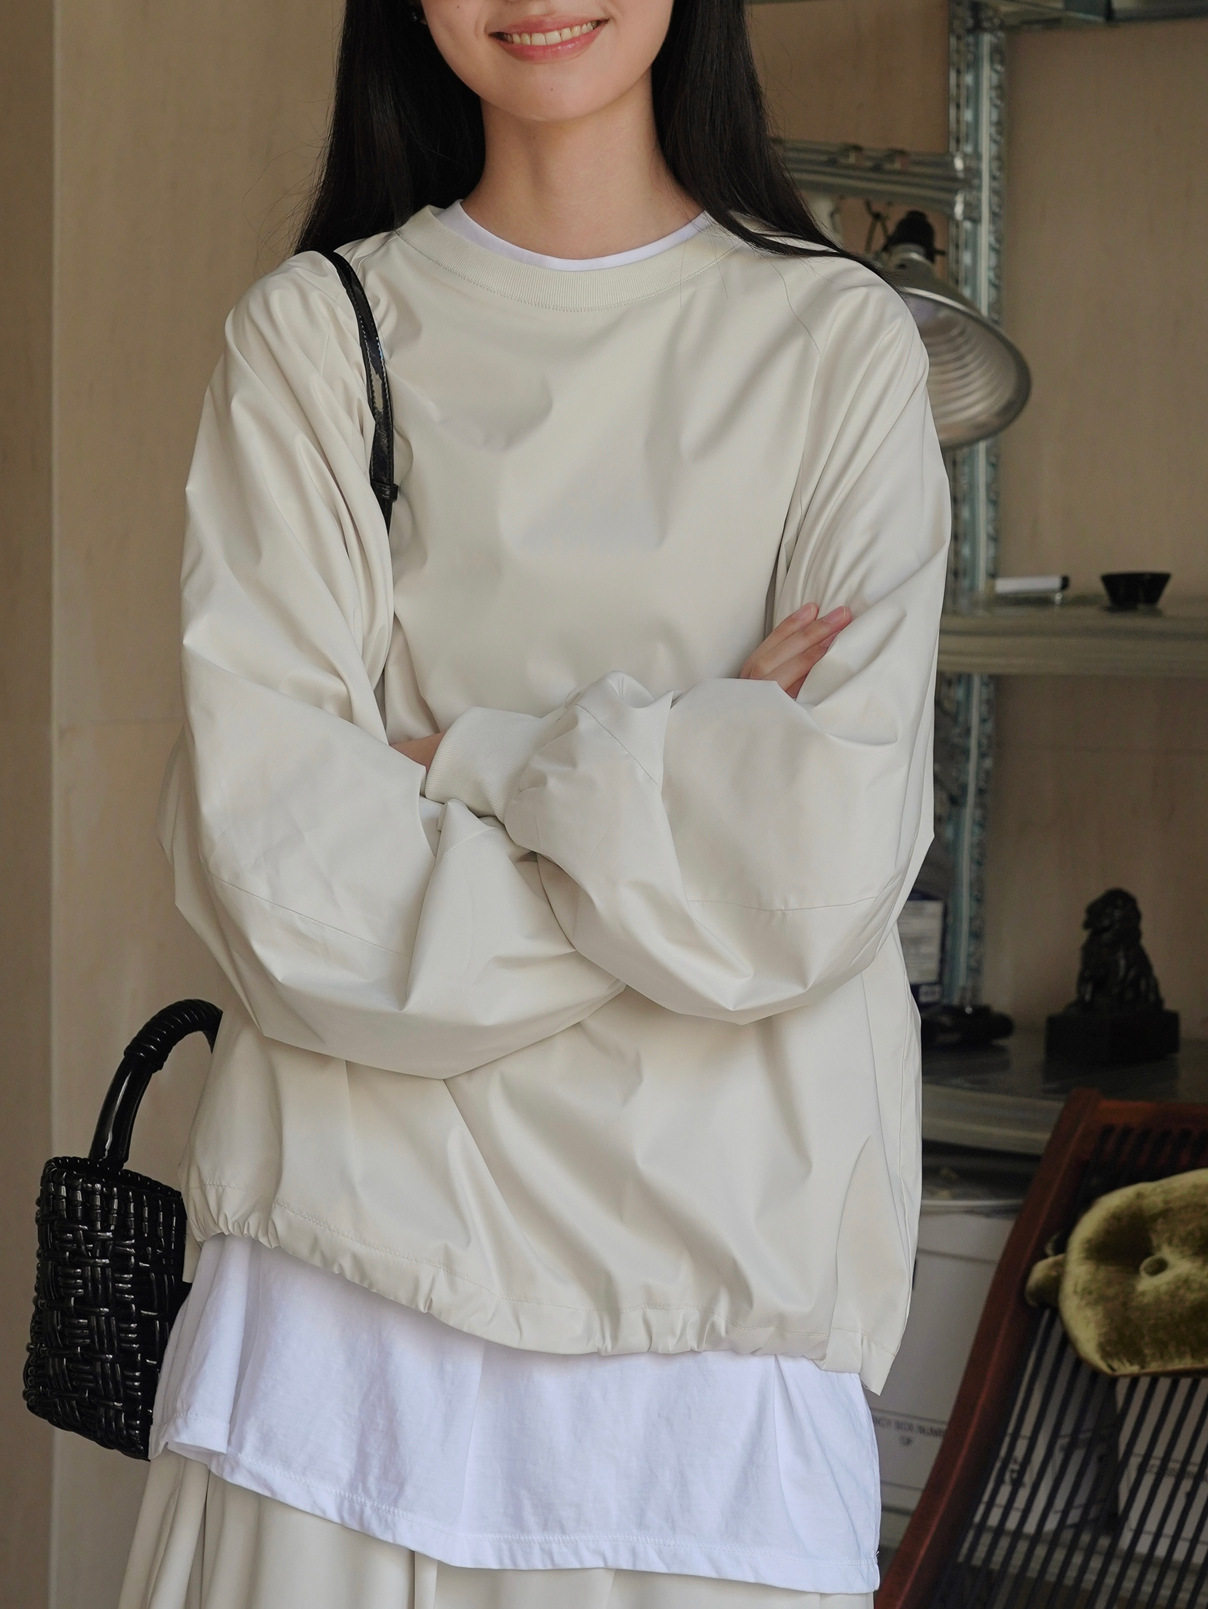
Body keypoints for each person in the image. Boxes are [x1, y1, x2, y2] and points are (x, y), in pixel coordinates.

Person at [118, 0, 951, 1602]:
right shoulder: (317, 338)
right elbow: (288, 883)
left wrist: (470, 765)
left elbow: (809, 861)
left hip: (715, 1350)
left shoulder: (837, 344)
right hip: (345, 1326)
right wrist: (678, 818)